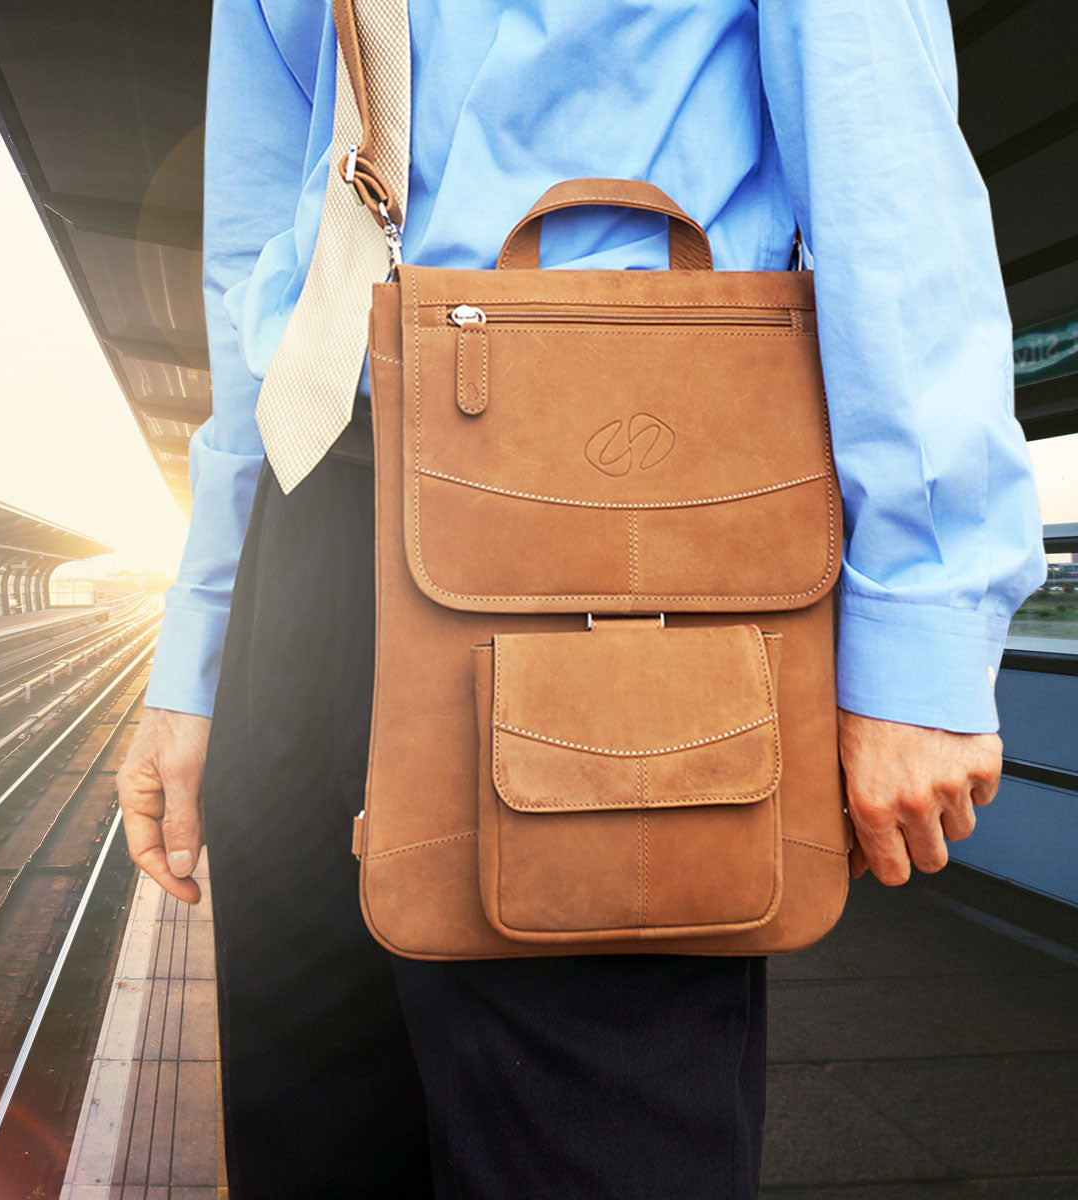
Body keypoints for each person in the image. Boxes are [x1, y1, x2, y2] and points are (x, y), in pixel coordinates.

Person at [116, 2, 1047, 1196]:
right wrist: (203, 645)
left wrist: (924, 610)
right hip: (315, 514)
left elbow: (884, 148)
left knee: (593, 1143)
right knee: (309, 1140)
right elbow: (255, 244)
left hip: (606, 499)